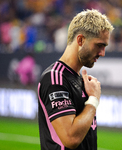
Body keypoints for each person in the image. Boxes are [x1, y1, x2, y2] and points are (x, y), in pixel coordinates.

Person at [37, 9, 114, 150]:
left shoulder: (78, 79)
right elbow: (71, 138)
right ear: (80, 40)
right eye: (99, 45)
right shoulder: (55, 78)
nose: (102, 53)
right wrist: (93, 100)